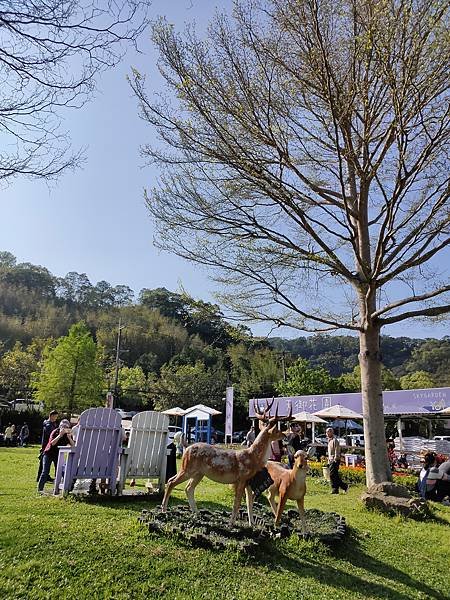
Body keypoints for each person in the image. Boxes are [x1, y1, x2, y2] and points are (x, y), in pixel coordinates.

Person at [37, 419, 74, 493]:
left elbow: (73, 446)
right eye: (63, 426)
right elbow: (52, 443)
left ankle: (60, 489)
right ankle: (40, 489)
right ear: (60, 426)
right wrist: (60, 435)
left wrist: (70, 438)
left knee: (60, 472)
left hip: (59, 455)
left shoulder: (68, 435)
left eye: (66, 427)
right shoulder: (55, 431)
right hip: (48, 453)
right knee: (45, 472)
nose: (64, 428)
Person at [36, 410, 59, 483]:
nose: (56, 418)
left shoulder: (52, 424)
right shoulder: (48, 425)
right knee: (43, 464)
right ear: (51, 416)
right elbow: (51, 435)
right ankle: (41, 478)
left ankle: (44, 477)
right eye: (55, 417)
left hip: (48, 446)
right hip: (46, 446)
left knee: (43, 464)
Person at [326, 427, 348, 494]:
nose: (326, 434)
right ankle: (340, 487)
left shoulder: (335, 440)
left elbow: (337, 449)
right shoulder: (329, 441)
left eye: (327, 432)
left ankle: (337, 488)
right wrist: (328, 460)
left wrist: (336, 457)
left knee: (332, 475)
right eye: (326, 432)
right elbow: (329, 452)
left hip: (335, 460)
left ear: (331, 432)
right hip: (331, 459)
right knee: (334, 475)